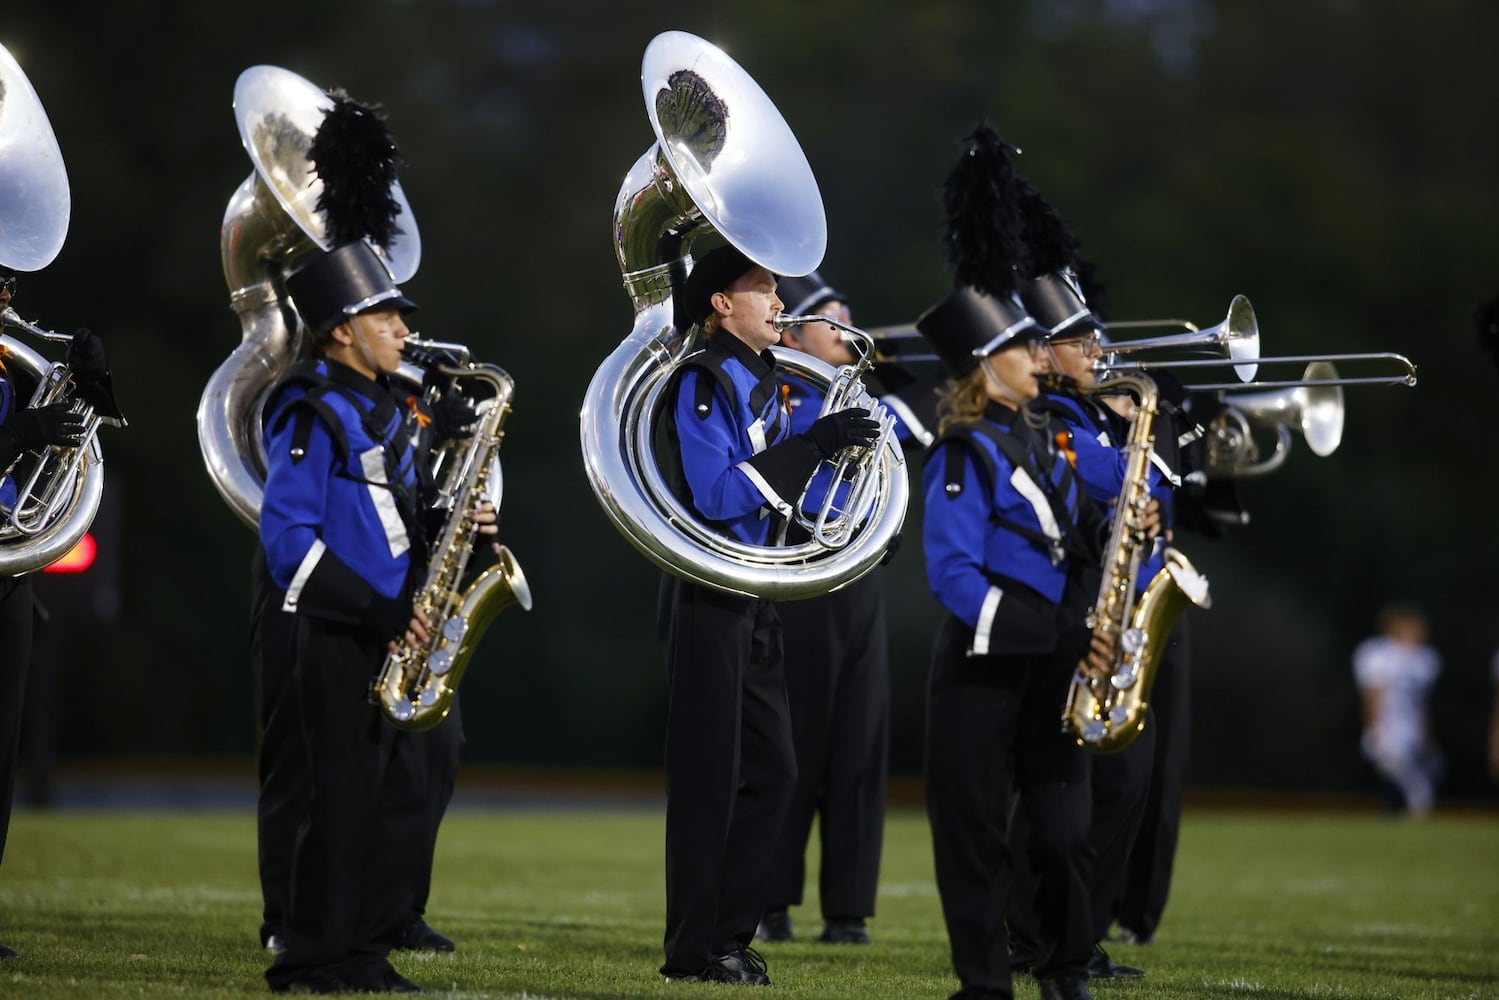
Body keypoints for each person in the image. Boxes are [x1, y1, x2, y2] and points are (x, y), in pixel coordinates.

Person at [258, 239, 499, 994]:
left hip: (394, 627)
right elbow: (287, 542)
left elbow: (392, 514)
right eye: (385, 315)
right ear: (339, 330)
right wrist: (379, 608)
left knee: (384, 798)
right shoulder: (309, 408)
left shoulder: (387, 407)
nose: (402, 329)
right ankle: (310, 959)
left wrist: (453, 532)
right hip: (340, 632)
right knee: (339, 801)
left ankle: (361, 948)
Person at [654, 244, 880, 985]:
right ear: (720, 303)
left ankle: (728, 935)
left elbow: (789, 492)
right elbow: (718, 495)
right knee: (708, 783)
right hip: (709, 596)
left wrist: (839, 455)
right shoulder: (702, 380)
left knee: (776, 774)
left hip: (758, 596)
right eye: (763, 290)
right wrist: (814, 443)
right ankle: (695, 949)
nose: (780, 303)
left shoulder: (769, 381)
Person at [756, 272, 889, 946]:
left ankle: (848, 910)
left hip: (856, 574)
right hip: (800, 571)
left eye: (845, 317)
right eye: (828, 319)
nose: (844, 329)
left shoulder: (863, 395)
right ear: (793, 333)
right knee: (794, 742)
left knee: (859, 744)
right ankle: (770, 899)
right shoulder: (775, 396)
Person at [0, 263, 113, 961]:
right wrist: (20, 434)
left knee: (0, 754)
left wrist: (91, 383)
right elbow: (22, 443)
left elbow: (76, 445)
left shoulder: (7, 369)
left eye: (8, 289)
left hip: (9, 577)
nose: (8, 302)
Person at [1352, 604, 1442, 818]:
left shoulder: (1424, 659)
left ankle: (1404, 810)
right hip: (1388, 725)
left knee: (1426, 768)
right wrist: (1373, 727)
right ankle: (1415, 803)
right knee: (1396, 771)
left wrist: (1426, 731)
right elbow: (1373, 695)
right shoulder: (1378, 654)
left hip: (1410, 725)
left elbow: (1420, 702)